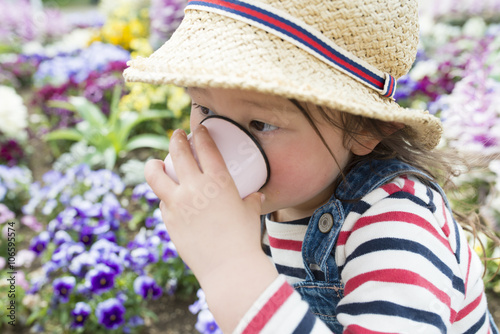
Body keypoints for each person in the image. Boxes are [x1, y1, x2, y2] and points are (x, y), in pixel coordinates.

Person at [124, 0, 500, 332]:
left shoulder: (396, 224)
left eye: (261, 124)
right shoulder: (279, 194)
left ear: (364, 130)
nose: (221, 146)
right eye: (205, 108)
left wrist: (228, 265)